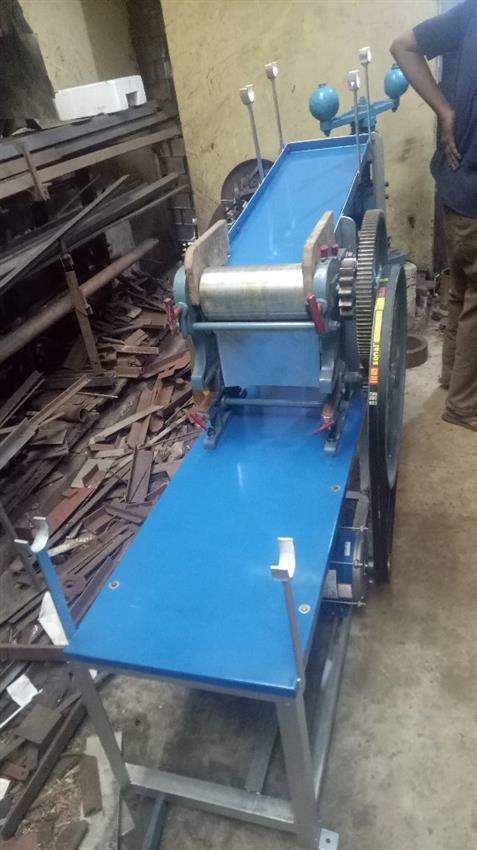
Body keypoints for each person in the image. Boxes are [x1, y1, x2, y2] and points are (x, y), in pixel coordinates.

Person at [391, 0, 477, 432]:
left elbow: (403, 46)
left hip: (454, 185)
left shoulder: (468, 14)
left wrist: (445, 111)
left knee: (461, 291)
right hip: (472, 194)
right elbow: (402, 46)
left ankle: (450, 380)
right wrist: (445, 111)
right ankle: (464, 404)